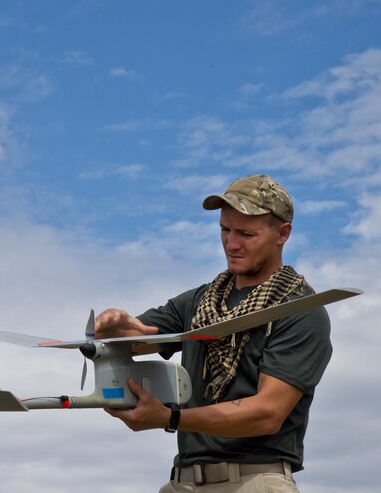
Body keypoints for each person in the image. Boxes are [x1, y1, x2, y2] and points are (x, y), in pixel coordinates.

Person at [96, 174, 331, 493]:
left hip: (255, 481)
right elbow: (135, 341)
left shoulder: (300, 309)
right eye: (225, 230)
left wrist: (169, 417)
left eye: (246, 234)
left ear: (283, 234)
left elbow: (267, 414)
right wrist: (113, 329)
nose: (232, 244)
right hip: (184, 482)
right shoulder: (198, 302)